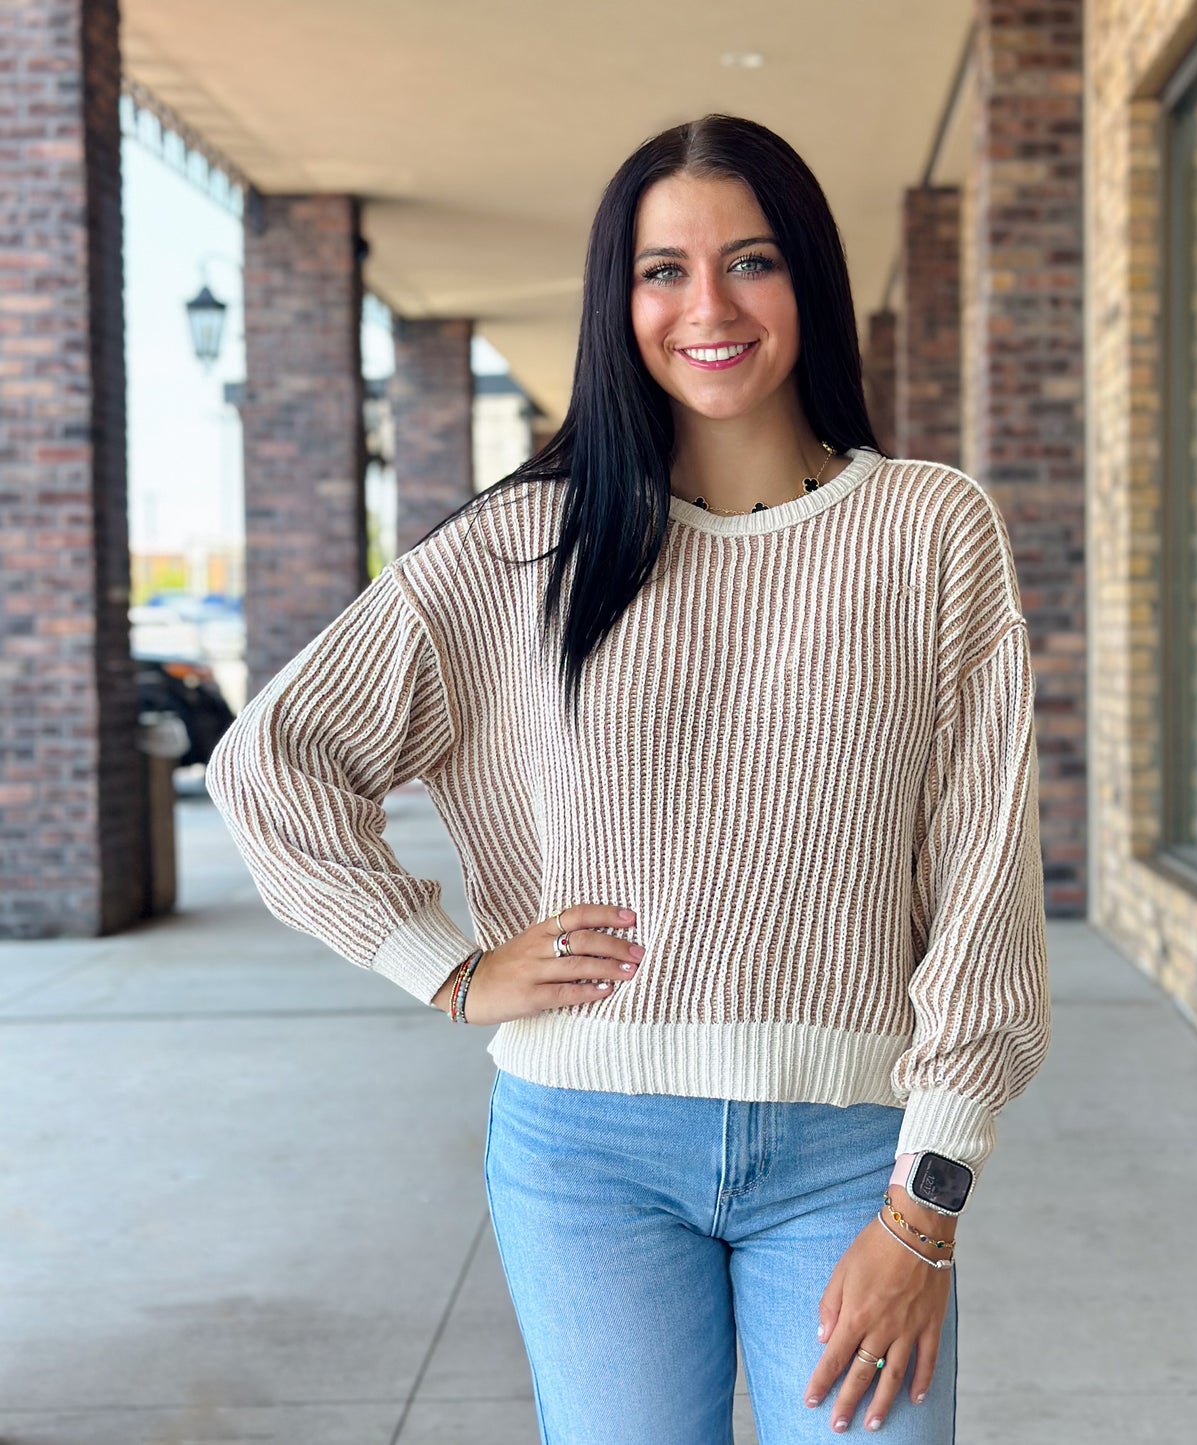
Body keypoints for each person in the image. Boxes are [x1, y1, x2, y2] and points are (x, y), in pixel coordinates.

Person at [207, 112, 1050, 1444]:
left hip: (852, 1157)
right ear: (620, 299)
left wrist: (926, 1209)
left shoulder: (927, 531)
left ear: (809, 283)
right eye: (663, 269)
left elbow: (984, 887)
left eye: (750, 261)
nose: (706, 305)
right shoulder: (525, 542)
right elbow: (273, 761)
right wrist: (447, 962)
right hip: (585, 1151)